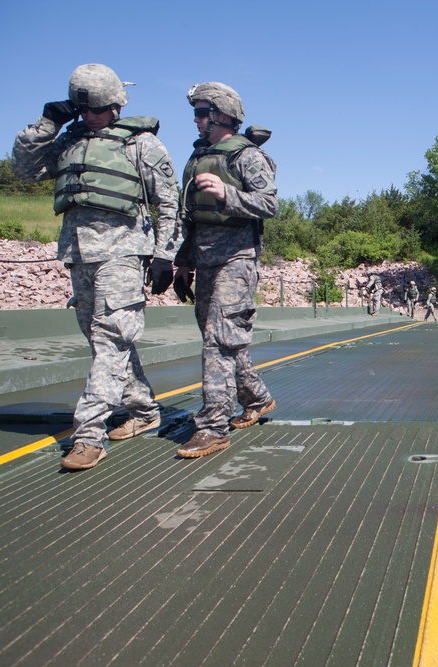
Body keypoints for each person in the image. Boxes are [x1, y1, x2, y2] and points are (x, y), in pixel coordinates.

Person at [11, 64, 181, 470]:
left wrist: (164, 255)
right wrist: (47, 123)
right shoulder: (69, 140)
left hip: (123, 253)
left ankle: (89, 434)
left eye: (98, 110)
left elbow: (171, 203)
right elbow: (23, 169)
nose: (90, 116)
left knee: (111, 340)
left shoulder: (141, 145)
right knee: (104, 339)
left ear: (117, 105)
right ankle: (143, 410)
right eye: (83, 109)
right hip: (78, 252)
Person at [173, 82, 277, 459]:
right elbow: (191, 218)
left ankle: (213, 425)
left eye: (202, 113)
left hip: (237, 258)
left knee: (217, 340)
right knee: (222, 339)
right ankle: (258, 398)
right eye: (196, 113)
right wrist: (184, 262)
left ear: (221, 116)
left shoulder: (247, 157)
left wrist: (226, 193)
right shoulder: (197, 157)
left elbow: (268, 204)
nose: (197, 120)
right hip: (204, 260)